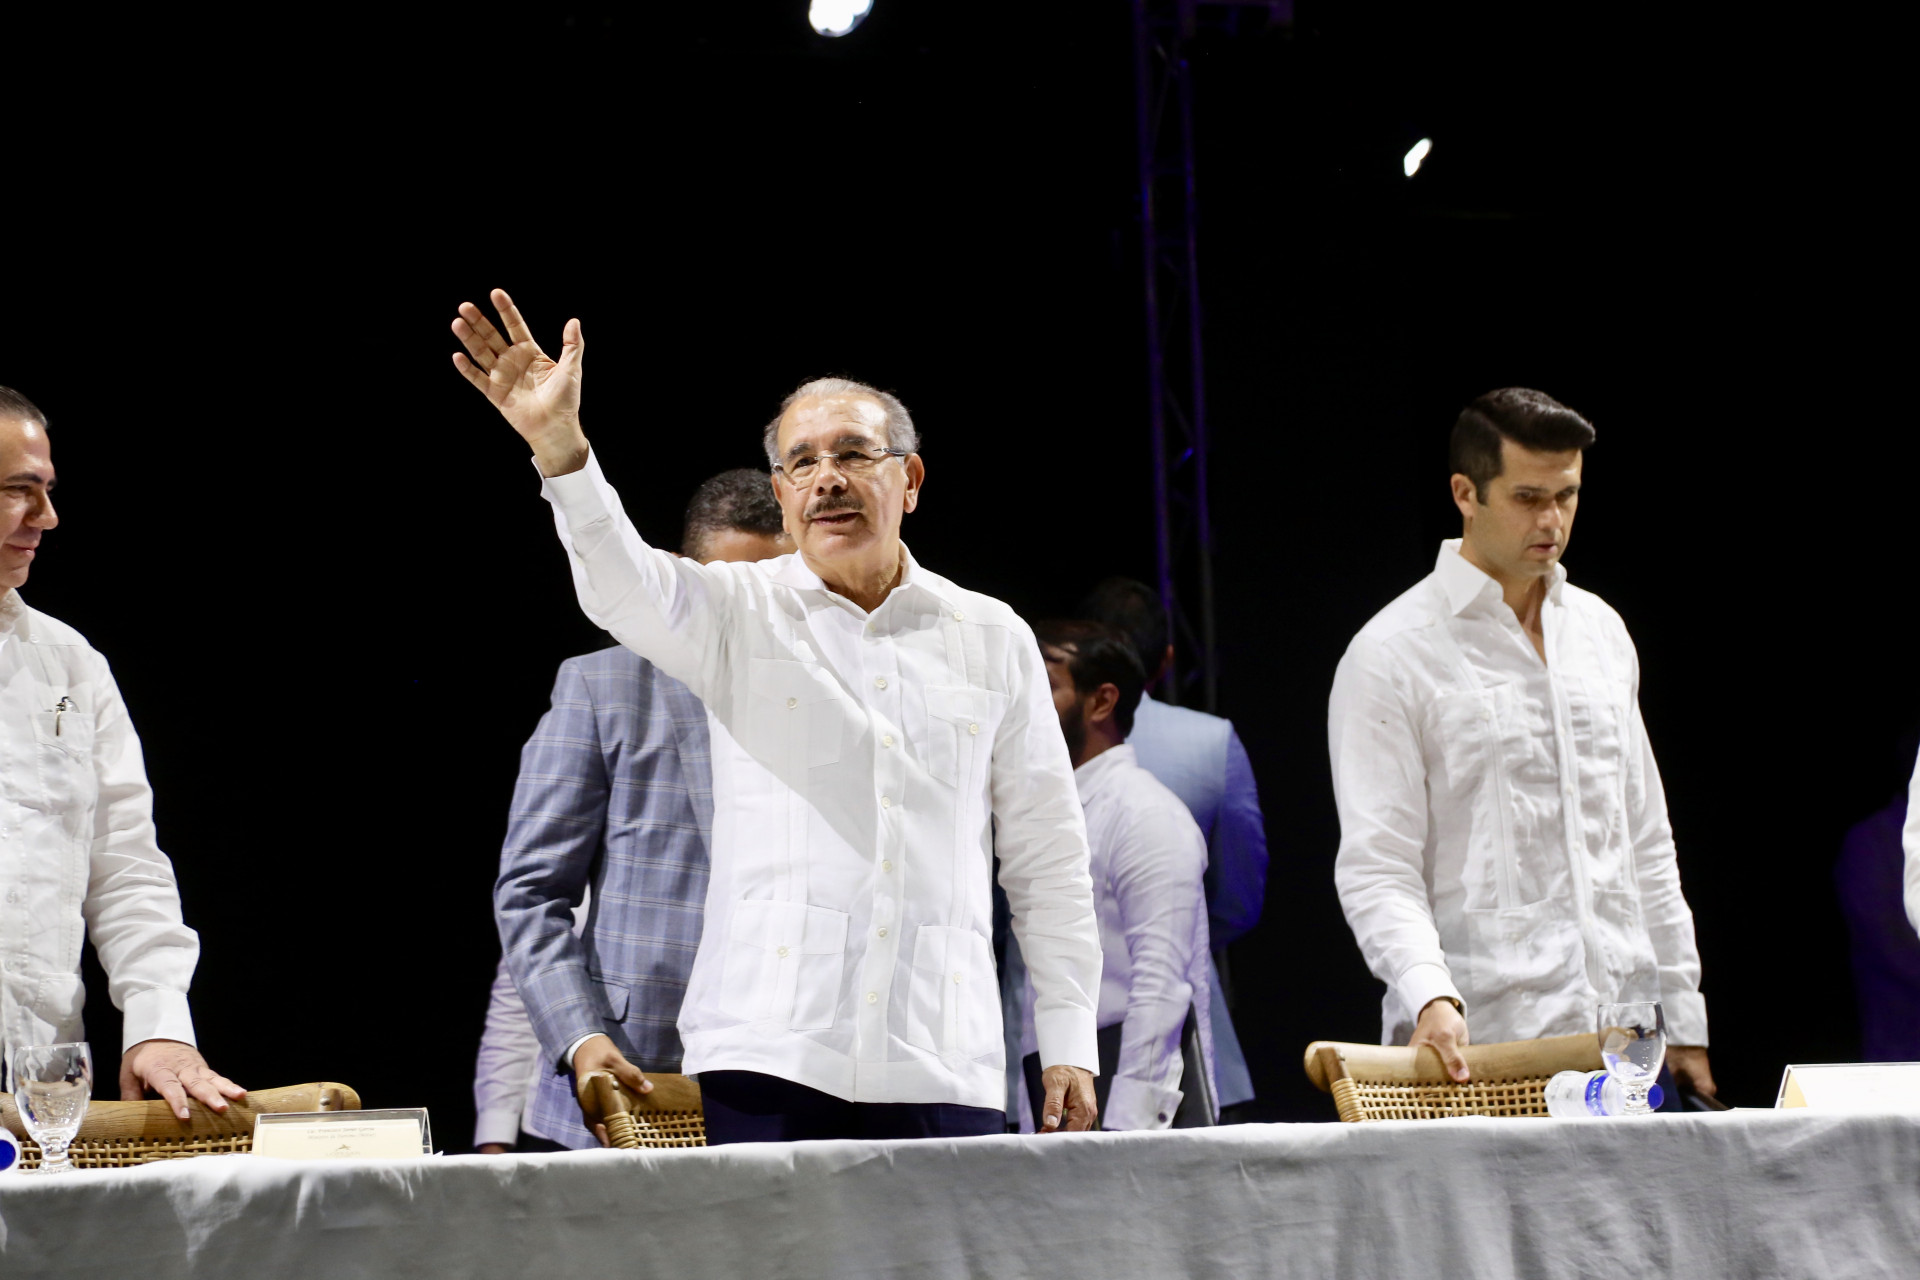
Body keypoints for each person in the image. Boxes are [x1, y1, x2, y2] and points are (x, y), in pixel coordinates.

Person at [448, 290, 1102, 1141]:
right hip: (768, 1052)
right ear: (782, 496)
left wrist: (1069, 1042)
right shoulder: (738, 610)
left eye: (854, 453)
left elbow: (1049, 858)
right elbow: (621, 586)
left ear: (909, 480)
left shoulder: (992, 634)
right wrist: (560, 450)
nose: (827, 477)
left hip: (945, 1052)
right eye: (802, 462)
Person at [1329, 387, 1716, 1101]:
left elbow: (1645, 841)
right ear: (1465, 493)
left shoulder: (1600, 632)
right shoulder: (1392, 652)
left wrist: (1684, 1018)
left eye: (1567, 496)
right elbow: (1379, 866)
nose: (1552, 521)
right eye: (1528, 497)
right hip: (1481, 1045)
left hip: (1625, 1045)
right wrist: (1428, 993)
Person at [473, 470, 789, 1153]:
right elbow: (531, 893)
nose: (754, 610)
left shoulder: (830, 702)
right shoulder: (604, 687)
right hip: (633, 1071)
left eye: (778, 588)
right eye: (732, 588)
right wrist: (581, 1035)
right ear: (680, 575)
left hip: (790, 1074)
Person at [0, 386, 243, 1119]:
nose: (46, 517)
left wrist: (160, 1025)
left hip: (35, 1094)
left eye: (47, 490)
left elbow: (125, 863)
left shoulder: (69, 663)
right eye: (18, 491)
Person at [1077, 577, 1266, 1110]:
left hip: (1059, 1031)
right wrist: (1182, 930)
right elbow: (1239, 899)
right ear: (1165, 660)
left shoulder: (1040, 740)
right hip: (1170, 1029)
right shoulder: (1209, 741)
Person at [1018, 621, 1214, 1130]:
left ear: (1102, 701)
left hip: (1124, 1090)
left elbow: (1162, 982)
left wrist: (1127, 1129)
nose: (1026, 703)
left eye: (1047, 685)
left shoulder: (1146, 812)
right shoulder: (1046, 809)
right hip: (1056, 1076)